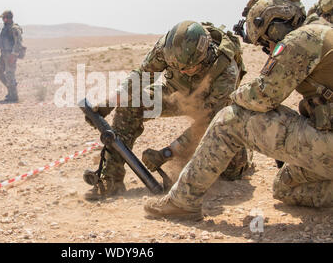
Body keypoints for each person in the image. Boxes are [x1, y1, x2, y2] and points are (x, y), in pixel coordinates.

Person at [144, 0, 333, 220]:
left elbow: (263, 96)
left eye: (267, 42)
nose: (269, 49)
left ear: (275, 26)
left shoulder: (303, 39)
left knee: (230, 119)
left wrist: (230, 98)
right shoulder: (325, 31)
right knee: (285, 187)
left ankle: (183, 201)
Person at [84, 20, 251, 201]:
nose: (183, 71)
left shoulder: (226, 70)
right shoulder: (167, 49)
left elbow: (208, 122)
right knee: (130, 105)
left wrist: (165, 153)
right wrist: (110, 102)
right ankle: (110, 178)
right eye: (177, 68)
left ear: (204, 56)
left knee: (231, 170)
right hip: (176, 95)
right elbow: (142, 76)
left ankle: (244, 153)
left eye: (188, 68)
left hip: (211, 107)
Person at [0, 10, 26, 103]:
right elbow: (2, 40)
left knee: (9, 74)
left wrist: (14, 55)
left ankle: (14, 96)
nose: (3, 20)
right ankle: (10, 89)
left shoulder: (14, 28)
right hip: (4, 54)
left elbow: (18, 42)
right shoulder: (5, 28)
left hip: (10, 54)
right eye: (3, 18)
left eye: (4, 18)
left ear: (7, 18)